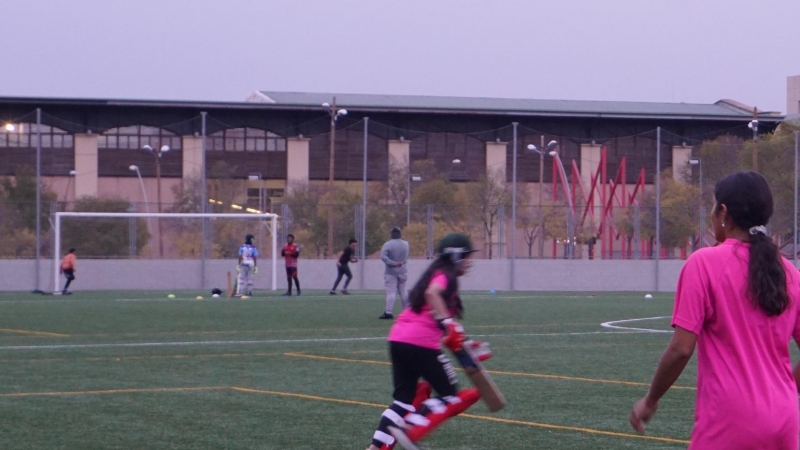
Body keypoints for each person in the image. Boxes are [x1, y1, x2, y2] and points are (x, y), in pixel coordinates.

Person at [629, 171, 800, 449]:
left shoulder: (704, 264)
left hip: (729, 418)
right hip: (785, 418)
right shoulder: (790, 273)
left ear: (723, 212)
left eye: (712, 206)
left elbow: (682, 348)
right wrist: (784, 390)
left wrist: (650, 400)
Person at [365, 233, 481, 450]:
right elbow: (433, 294)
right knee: (450, 396)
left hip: (398, 339)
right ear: (455, 256)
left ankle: (374, 448)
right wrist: (449, 322)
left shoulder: (435, 273)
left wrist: (464, 342)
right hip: (420, 343)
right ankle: (410, 432)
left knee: (403, 400)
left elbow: (441, 323)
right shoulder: (446, 276)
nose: (470, 261)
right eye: (466, 256)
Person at [379, 226, 409, 319]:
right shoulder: (406, 244)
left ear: (391, 234)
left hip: (391, 271)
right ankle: (406, 310)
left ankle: (388, 312)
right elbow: (406, 257)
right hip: (403, 270)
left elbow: (383, 257)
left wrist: (394, 263)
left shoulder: (388, 244)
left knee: (391, 292)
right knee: (403, 291)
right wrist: (400, 263)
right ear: (400, 234)